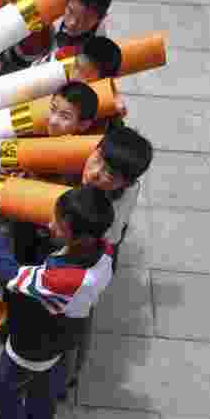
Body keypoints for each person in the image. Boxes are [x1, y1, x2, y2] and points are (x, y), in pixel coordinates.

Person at [0, 187, 115, 419]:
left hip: (34, 341)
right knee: (44, 383)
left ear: (81, 236)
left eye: (58, 225)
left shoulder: (63, 280)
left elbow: (10, 276)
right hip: (66, 331)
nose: (50, 226)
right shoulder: (104, 251)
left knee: (0, 389)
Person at [63, 127, 153, 387]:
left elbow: (108, 239)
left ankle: (69, 375)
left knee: (75, 321)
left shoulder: (107, 213)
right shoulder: (124, 185)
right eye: (97, 159)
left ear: (124, 183)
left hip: (88, 263)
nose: (94, 173)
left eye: (108, 175)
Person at [34, 0, 113, 64]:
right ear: (66, 1)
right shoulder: (42, 15)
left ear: (101, 19)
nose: (73, 23)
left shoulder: (98, 52)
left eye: (85, 20)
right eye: (70, 11)